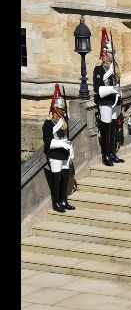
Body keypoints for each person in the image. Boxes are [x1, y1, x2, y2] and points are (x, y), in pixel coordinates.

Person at [92, 27, 124, 166]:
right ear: (104, 54)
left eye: (113, 52)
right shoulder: (99, 69)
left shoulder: (115, 66)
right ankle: (105, 155)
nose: (112, 55)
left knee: (113, 129)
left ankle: (112, 153)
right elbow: (98, 89)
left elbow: (117, 82)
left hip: (114, 101)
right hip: (105, 102)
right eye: (110, 52)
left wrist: (118, 93)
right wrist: (112, 89)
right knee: (105, 130)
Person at [42, 84, 75, 213]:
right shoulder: (49, 122)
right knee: (56, 179)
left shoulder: (63, 119)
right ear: (56, 109)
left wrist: (68, 147)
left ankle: (63, 200)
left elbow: (64, 136)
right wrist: (62, 144)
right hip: (54, 154)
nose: (64, 111)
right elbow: (48, 143)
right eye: (62, 108)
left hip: (64, 153)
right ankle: (56, 202)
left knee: (65, 177)